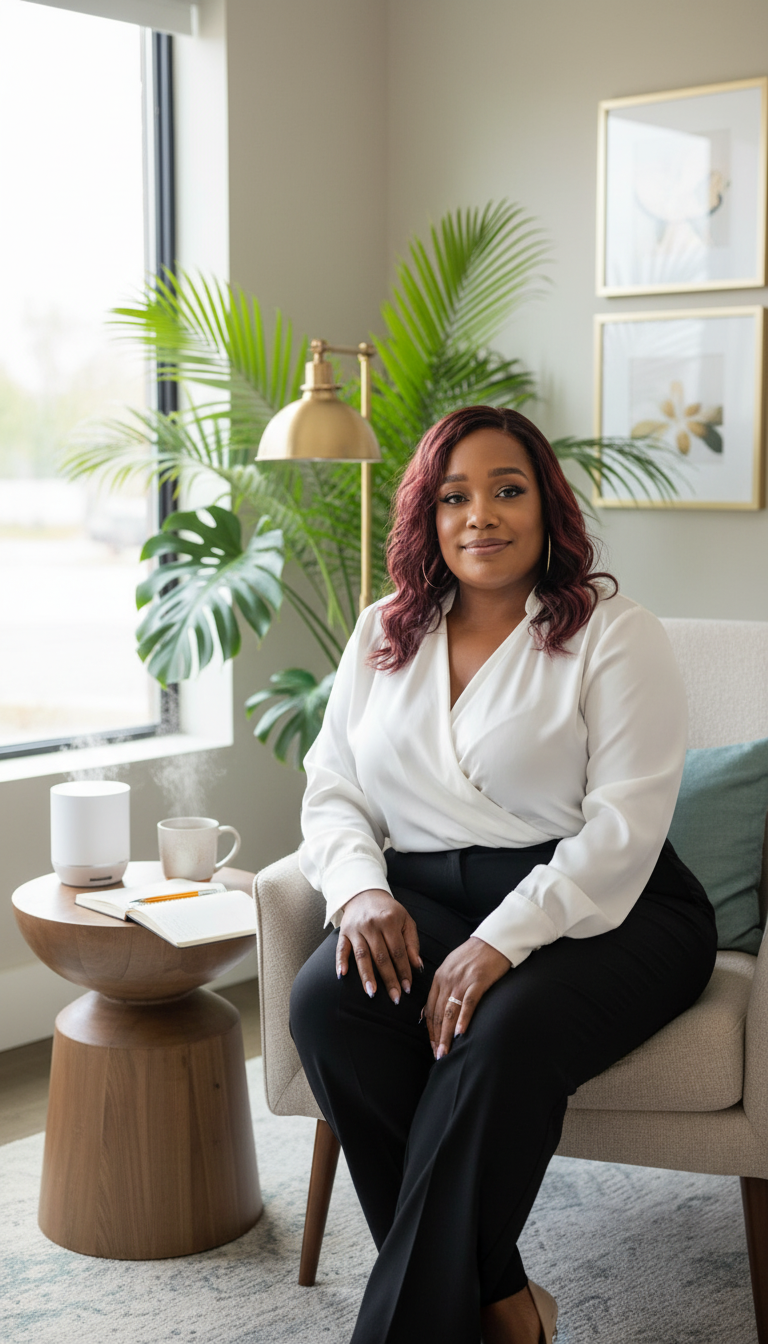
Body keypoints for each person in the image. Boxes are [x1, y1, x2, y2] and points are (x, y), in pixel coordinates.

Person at [289, 406, 717, 1344]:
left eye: (507, 490)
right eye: (455, 497)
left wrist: (497, 943)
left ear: (546, 505)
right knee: (328, 1002)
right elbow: (332, 788)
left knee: (501, 1031)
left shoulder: (613, 632)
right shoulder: (382, 632)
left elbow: (623, 830)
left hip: (614, 907)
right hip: (425, 896)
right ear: (429, 518)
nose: (480, 515)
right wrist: (362, 890)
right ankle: (505, 1304)